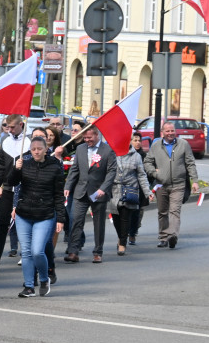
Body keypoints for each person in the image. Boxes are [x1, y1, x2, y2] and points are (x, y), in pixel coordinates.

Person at [9, 137, 65, 297]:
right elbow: (11, 182)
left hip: (45, 214)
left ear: (46, 149)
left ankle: (44, 278)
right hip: (24, 214)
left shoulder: (55, 167)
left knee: (37, 251)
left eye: (39, 148)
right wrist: (16, 169)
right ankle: (28, 286)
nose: (36, 152)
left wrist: (60, 218)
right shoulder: (24, 164)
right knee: (26, 251)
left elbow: (59, 195)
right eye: (33, 149)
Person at [64, 126, 117, 263]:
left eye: (89, 138)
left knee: (98, 223)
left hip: (98, 192)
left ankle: (98, 252)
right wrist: (68, 186)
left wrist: (103, 189)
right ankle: (73, 251)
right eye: (85, 138)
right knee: (76, 220)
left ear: (97, 135)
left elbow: (111, 172)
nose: (87, 140)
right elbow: (74, 169)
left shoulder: (107, 150)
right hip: (81, 191)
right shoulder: (81, 149)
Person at [143, 121, 199, 249]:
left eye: (172, 131)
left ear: (175, 131)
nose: (170, 133)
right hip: (161, 185)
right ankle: (163, 237)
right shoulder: (156, 146)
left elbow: (190, 163)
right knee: (162, 212)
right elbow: (147, 162)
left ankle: (172, 235)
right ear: (162, 133)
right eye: (167, 131)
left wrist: (194, 180)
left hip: (178, 184)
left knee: (174, 211)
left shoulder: (183, 144)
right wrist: (154, 173)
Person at [0, 114, 29, 271]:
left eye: (12, 127)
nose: (9, 130)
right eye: (7, 127)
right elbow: (2, 166)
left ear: (21, 125)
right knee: (2, 223)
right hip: (7, 188)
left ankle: (27, 256)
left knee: (24, 224)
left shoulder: (29, 141)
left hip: (25, 189)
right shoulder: (6, 141)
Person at [111, 143, 152, 255]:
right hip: (114, 189)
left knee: (125, 217)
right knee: (116, 218)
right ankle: (121, 236)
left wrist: (147, 191)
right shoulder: (112, 153)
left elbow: (141, 175)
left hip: (129, 190)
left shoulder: (136, 156)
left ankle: (122, 243)